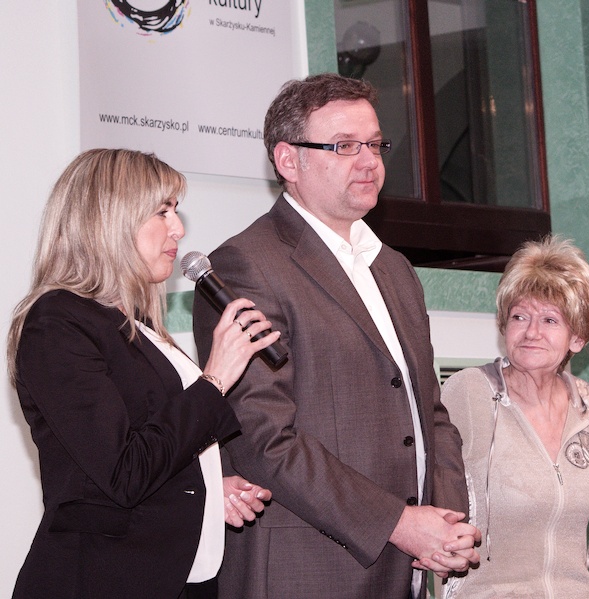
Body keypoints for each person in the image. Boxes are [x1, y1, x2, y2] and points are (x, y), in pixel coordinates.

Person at [191, 72, 480, 598]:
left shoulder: (394, 269)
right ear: (288, 161)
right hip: (308, 570)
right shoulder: (245, 266)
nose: (369, 161)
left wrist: (446, 523)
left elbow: (430, 413)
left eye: (375, 144)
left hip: (406, 569)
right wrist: (398, 523)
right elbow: (264, 439)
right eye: (345, 146)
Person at [7, 149, 282, 599]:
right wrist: (214, 379)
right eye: (162, 211)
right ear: (109, 219)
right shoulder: (57, 323)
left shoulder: (138, 325)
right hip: (101, 579)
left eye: (176, 211)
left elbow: (152, 450)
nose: (179, 229)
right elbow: (123, 472)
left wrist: (206, 488)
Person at [441, 236, 589, 599]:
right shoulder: (471, 391)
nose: (531, 332)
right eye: (520, 316)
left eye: (550, 320)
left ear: (578, 337)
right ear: (504, 325)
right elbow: (419, 486)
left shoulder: (585, 402)